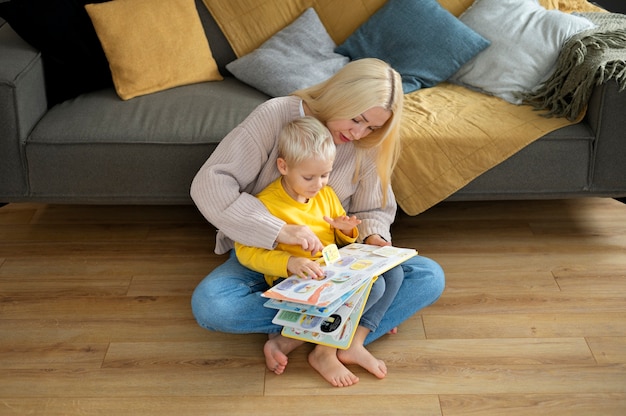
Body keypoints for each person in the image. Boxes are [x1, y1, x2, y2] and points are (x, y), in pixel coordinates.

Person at [190, 58, 445, 387]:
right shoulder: (277, 115)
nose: (358, 133)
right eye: (357, 119)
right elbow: (210, 183)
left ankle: (304, 335)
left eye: (371, 128)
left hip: (332, 263)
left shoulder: (364, 143)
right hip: (264, 251)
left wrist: (375, 242)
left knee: (428, 276)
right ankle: (346, 324)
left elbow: (373, 211)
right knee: (213, 306)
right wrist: (278, 230)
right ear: (341, 96)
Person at [233, 116, 405, 386]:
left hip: (331, 268)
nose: (318, 184)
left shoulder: (324, 194)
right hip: (296, 278)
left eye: (325, 174)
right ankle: (324, 352)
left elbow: (340, 239)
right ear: (283, 166)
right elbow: (246, 251)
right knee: (376, 289)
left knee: (394, 275)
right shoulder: (266, 204)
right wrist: (290, 262)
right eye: (309, 177)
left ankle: (351, 343)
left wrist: (346, 230)